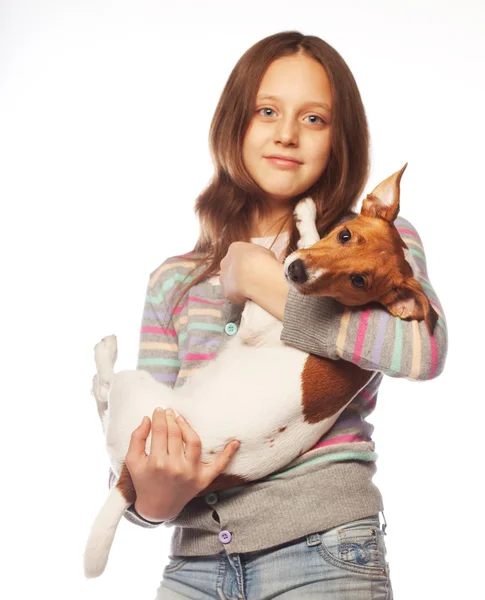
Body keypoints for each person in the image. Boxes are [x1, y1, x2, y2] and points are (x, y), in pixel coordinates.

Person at [108, 31, 448, 599]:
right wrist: (151, 504)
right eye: (268, 111)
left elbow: (424, 351)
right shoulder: (174, 280)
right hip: (192, 567)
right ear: (234, 121)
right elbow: (144, 446)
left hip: (324, 552)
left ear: (340, 138)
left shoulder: (370, 239)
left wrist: (271, 287)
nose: (287, 133)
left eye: (314, 119)